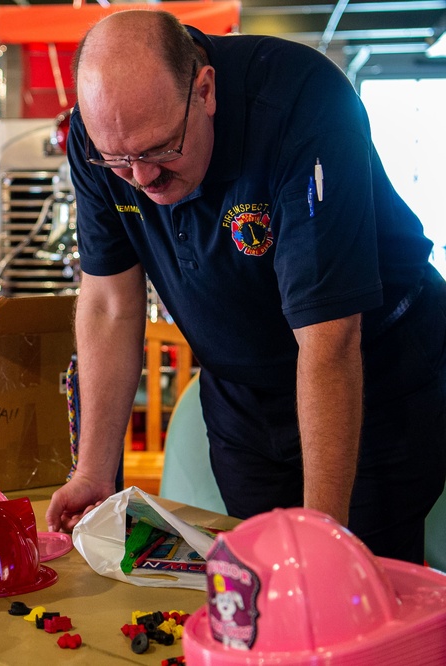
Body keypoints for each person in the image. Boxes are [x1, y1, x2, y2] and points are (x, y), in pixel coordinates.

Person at [45, 9, 446, 565]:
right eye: (119, 161)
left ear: (204, 89)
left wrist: (321, 542)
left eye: (161, 149)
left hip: (373, 374)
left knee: (352, 579)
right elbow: (110, 304)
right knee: (255, 581)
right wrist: (91, 469)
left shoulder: (302, 104)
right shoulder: (100, 138)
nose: (142, 179)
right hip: (242, 395)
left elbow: (328, 339)